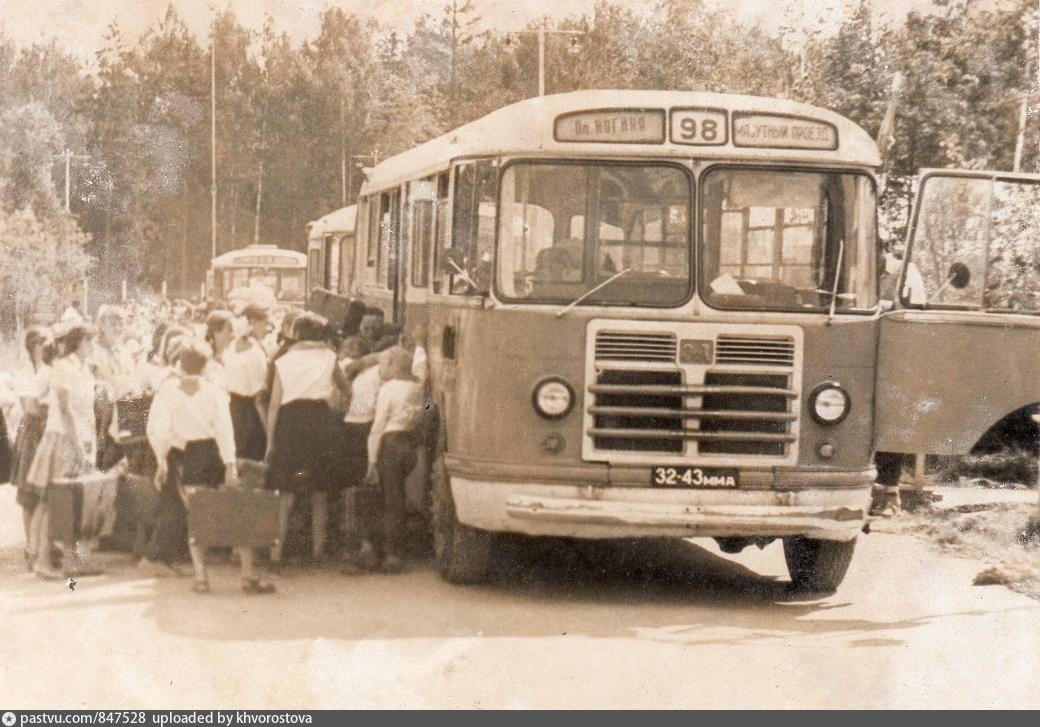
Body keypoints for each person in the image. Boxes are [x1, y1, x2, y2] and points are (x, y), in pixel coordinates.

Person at [146, 341, 274, 595]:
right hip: (214, 453)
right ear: (206, 367)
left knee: (198, 517)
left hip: (189, 456)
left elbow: (159, 431)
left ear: (181, 366)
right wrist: (229, 464)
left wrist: (161, 460)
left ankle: (201, 577)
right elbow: (225, 431)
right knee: (237, 512)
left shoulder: (167, 394)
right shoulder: (215, 392)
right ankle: (248, 576)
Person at [266, 312, 343, 565]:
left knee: (285, 493)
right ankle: (318, 553)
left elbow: (275, 405)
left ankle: (276, 555)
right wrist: (338, 408)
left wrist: (270, 442)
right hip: (320, 422)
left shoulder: (284, 361)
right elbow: (346, 389)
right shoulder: (330, 358)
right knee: (320, 492)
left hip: (290, 424)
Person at [24, 324, 98, 579]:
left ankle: (69, 559)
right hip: (63, 439)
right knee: (51, 500)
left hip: (79, 439)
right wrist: (78, 445)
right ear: (79, 342)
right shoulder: (63, 368)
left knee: (69, 501)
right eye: (89, 341)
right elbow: (65, 411)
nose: (92, 346)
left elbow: (85, 409)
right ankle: (41, 560)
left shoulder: (82, 368)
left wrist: (86, 443)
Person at [367, 346, 422, 573]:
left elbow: (378, 424)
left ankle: (391, 554)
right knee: (397, 496)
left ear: (392, 365)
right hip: (410, 444)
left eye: (382, 364)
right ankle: (393, 550)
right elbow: (426, 408)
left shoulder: (388, 389)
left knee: (390, 500)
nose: (380, 369)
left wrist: (371, 460)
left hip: (390, 443)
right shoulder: (418, 388)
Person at [9, 329, 55, 568]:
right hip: (32, 431)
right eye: (39, 344)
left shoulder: (50, 369)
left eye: (45, 344)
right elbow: (31, 405)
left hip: (46, 429)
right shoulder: (26, 371)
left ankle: (43, 547)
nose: (43, 348)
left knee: (46, 493)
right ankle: (31, 547)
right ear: (32, 346)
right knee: (29, 494)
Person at [337, 336, 382, 573]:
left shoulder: (344, 368)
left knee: (352, 491)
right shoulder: (374, 373)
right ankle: (364, 547)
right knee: (365, 489)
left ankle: (352, 549)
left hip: (347, 429)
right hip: (366, 430)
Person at [220, 307, 269, 461]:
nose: (266, 329)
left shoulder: (231, 346)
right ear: (253, 323)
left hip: (233, 409)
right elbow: (259, 398)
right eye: (264, 324)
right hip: (250, 414)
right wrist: (269, 430)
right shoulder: (255, 353)